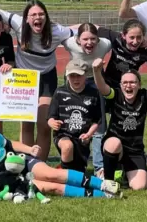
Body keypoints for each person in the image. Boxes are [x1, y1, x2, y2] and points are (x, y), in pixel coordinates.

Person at [0, 0, 74, 161]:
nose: (37, 18)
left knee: (44, 125)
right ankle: (26, 163)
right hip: (24, 78)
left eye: (41, 14)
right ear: (26, 18)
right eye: (33, 15)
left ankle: (40, 163)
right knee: (26, 124)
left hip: (47, 77)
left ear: (46, 17)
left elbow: (80, 34)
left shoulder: (56, 31)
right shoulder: (18, 24)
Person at [0, 121, 121, 200]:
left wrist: (29, 149)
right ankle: (104, 195)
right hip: (7, 181)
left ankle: (102, 184)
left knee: (51, 174)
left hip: (21, 163)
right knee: (51, 187)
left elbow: (12, 144)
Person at [92, 57, 147, 190]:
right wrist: (96, 71)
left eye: (133, 82)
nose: (129, 85)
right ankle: (109, 181)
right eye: (125, 83)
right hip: (116, 146)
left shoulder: (143, 97)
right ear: (121, 85)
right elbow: (102, 87)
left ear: (139, 85)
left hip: (135, 150)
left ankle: (124, 173)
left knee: (140, 186)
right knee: (113, 143)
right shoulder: (115, 95)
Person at [62, 23, 111, 177]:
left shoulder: (105, 44)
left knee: (98, 124)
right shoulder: (69, 42)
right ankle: (73, 164)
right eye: (85, 39)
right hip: (74, 81)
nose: (89, 43)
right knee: (74, 121)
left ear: (98, 39)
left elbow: (122, 38)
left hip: (96, 82)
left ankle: (99, 167)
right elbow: (55, 33)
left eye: (93, 39)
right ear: (77, 40)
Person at [48, 59, 101, 173]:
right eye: (72, 76)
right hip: (63, 134)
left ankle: (65, 170)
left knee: (78, 170)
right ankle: (64, 177)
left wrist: (89, 134)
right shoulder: (60, 92)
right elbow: (51, 117)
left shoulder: (93, 94)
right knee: (67, 146)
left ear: (85, 75)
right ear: (67, 76)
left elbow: (97, 120)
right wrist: (52, 123)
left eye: (79, 75)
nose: (75, 79)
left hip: (82, 138)